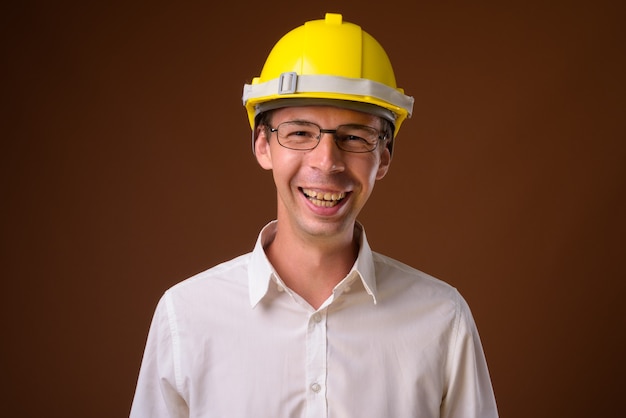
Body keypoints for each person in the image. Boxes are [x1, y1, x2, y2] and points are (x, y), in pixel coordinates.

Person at [130, 13, 498, 418]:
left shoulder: (442, 321)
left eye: (355, 137)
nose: (327, 162)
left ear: (384, 156)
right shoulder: (186, 318)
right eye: (300, 132)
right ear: (263, 146)